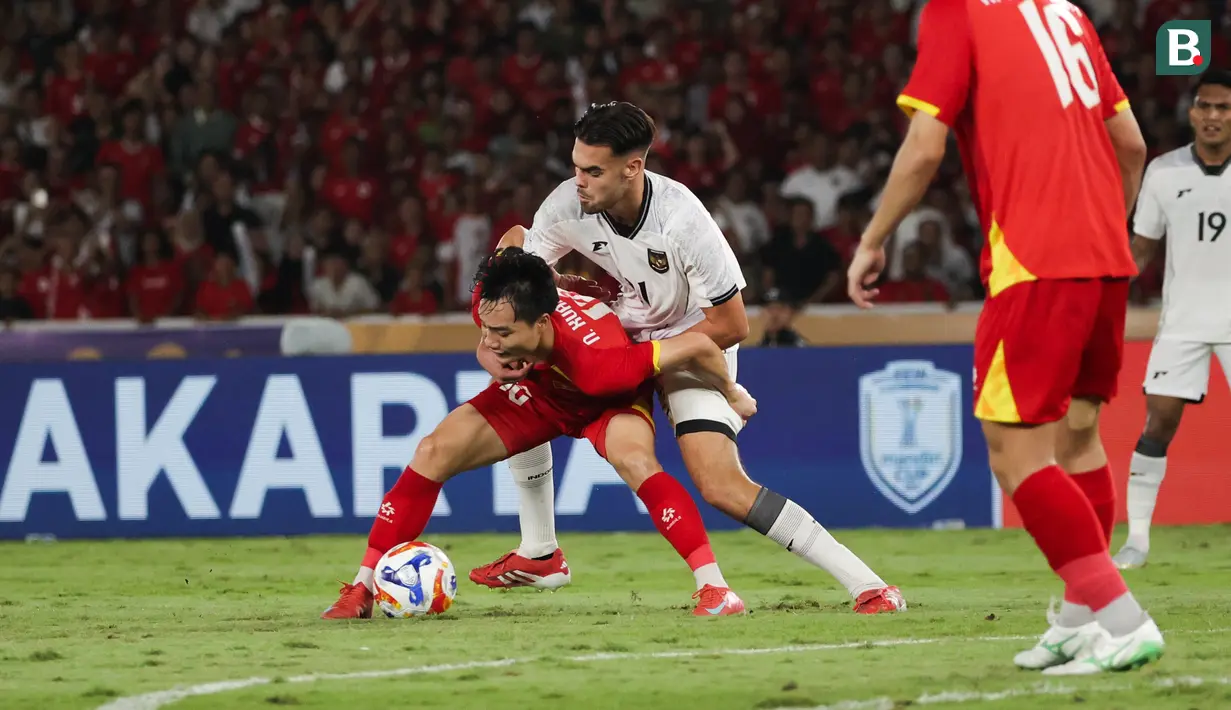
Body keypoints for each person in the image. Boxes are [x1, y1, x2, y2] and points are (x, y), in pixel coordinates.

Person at [472, 101, 904, 614]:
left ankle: (869, 585)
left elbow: (732, 324)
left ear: (633, 168)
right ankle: (540, 550)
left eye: (593, 170)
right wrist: (489, 338)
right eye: (575, 166)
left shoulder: (682, 220)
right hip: (619, 333)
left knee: (721, 485)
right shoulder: (568, 204)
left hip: (690, 340)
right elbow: (515, 270)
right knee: (523, 376)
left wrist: (653, 356)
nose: (578, 181)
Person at [847, 0, 1162, 674]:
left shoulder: (955, 13)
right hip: (1105, 258)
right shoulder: (1066, 13)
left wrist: (873, 239)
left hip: (1035, 262)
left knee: (1014, 455)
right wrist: (1105, 224)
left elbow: (924, 145)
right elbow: (1131, 144)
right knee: (1078, 436)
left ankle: (1122, 619)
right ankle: (1081, 617)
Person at [322, 248, 754, 619]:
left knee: (636, 462)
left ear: (542, 323)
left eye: (502, 333)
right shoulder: (496, 297)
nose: (490, 339)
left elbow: (699, 347)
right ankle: (362, 588)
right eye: (486, 329)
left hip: (604, 401)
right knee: (433, 450)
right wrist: (489, 352)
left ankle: (715, 588)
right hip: (543, 387)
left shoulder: (602, 363)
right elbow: (513, 234)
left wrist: (732, 394)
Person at [1113, 71, 1231, 570]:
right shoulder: (1163, 172)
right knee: (1158, 421)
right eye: (1205, 106)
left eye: (1223, 108)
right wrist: (1104, 297)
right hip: (1182, 320)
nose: (1213, 116)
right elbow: (1140, 250)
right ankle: (1137, 540)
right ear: (1191, 112)